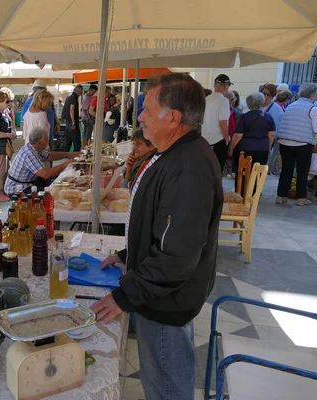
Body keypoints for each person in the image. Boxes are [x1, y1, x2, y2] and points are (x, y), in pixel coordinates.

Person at [91, 73, 223, 400]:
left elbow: (176, 258)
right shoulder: (172, 152)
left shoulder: (188, 167)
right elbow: (162, 225)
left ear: (173, 118)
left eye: (147, 110)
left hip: (166, 300)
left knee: (167, 389)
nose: (139, 117)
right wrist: (126, 256)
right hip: (160, 294)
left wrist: (123, 297)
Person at [276, 82, 317, 206]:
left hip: (284, 141)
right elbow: (316, 129)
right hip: (303, 143)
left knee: (286, 169)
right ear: (312, 96)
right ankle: (301, 198)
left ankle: (281, 195)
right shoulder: (313, 108)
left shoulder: (291, 105)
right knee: (302, 171)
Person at [5, 126, 80, 195]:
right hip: (16, 189)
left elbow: (50, 156)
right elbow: (46, 174)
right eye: (46, 140)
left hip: (28, 183)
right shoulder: (29, 154)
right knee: (51, 195)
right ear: (39, 143)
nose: (48, 142)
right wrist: (65, 164)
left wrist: (70, 154)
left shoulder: (35, 147)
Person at [228, 93, 276, 172]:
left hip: (246, 149)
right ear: (261, 102)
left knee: (243, 174)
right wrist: (269, 148)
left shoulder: (244, 117)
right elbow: (271, 135)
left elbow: (238, 135)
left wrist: (231, 148)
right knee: (258, 174)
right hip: (262, 148)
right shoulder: (268, 117)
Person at [0, 87, 17, 201]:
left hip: (5, 144)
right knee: (1, 170)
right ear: (0, 100)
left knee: (6, 169)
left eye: (10, 101)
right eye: (7, 101)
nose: (9, 103)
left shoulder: (4, 110)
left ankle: (4, 191)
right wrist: (9, 135)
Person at [201, 74, 232, 173]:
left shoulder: (206, 99)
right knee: (217, 170)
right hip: (218, 140)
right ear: (226, 86)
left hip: (204, 139)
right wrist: (227, 137)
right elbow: (223, 122)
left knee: (206, 169)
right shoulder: (223, 101)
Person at [121, 127, 156, 191]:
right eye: (134, 144)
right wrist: (129, 169)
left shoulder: (147, 165)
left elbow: (128, 189)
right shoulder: (138, 161)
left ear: (151, 146)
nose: (134, 148)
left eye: (138, 144)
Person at [62, 84, 83, 151]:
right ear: (78, 90)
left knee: (68, 141)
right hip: (72, 121)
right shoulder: (73, 97)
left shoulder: (69, 96)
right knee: (77, 143)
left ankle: (66, 156)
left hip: (67, 121)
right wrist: (73, 121)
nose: (81, 93)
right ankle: (75, 157)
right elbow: (72, 109)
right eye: (81, 91)